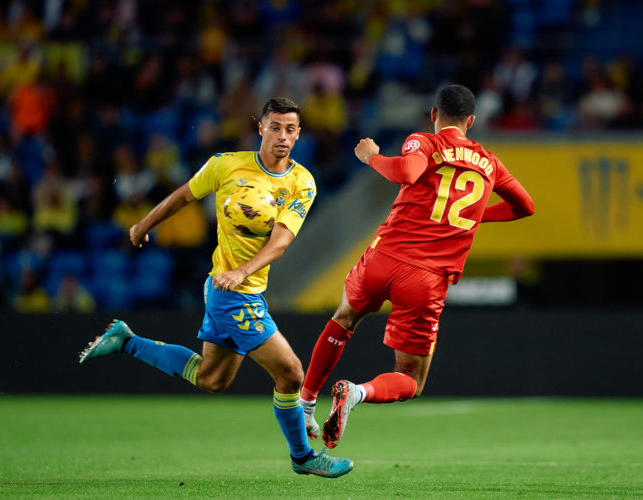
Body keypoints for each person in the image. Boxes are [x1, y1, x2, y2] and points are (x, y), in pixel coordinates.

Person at [78, 97, 353, 478]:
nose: (283, 137)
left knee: (211, 379)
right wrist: (144, 224)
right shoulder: (226, 165)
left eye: (291, 130)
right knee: (290, 373)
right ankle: (303, 457)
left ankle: (126, 340)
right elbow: (183, 196)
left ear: (299, 134)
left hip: (241, 286)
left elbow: (281, 240)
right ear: (261, 127)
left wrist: (243, 271)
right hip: (230, 294)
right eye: (276, 127)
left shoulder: (301, 181)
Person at [299, 84, 535, 449]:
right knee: (410, 377)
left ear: (433, 114)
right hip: (425, 278)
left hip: (384, 258)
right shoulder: (490, 162)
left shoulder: (424, 142)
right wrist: (471, 217)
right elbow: (525, 206)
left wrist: (372, 157)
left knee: (343, 319)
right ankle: (358, 393)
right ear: (471, 121)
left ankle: (306, 402)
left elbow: (408, 172)